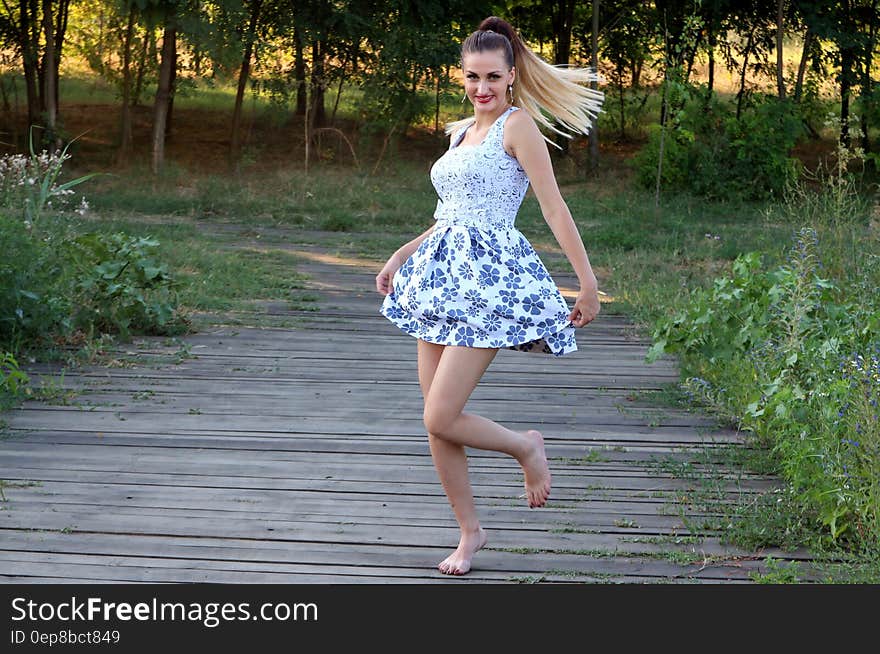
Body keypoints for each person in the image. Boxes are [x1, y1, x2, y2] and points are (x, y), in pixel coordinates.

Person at [375, 16, 604, 576]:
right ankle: (469, 531)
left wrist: (588, 280)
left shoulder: (517, 127)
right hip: (439, 277)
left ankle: (526, 448)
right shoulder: (459, 133)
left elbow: (552, 206)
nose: (483, 88)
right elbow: (448, 216)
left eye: (493, 77)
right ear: (462, 76)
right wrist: (403, 253)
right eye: (473, 77)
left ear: (511, 76)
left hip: (488, 283)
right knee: (436, 420)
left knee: (440, 413)